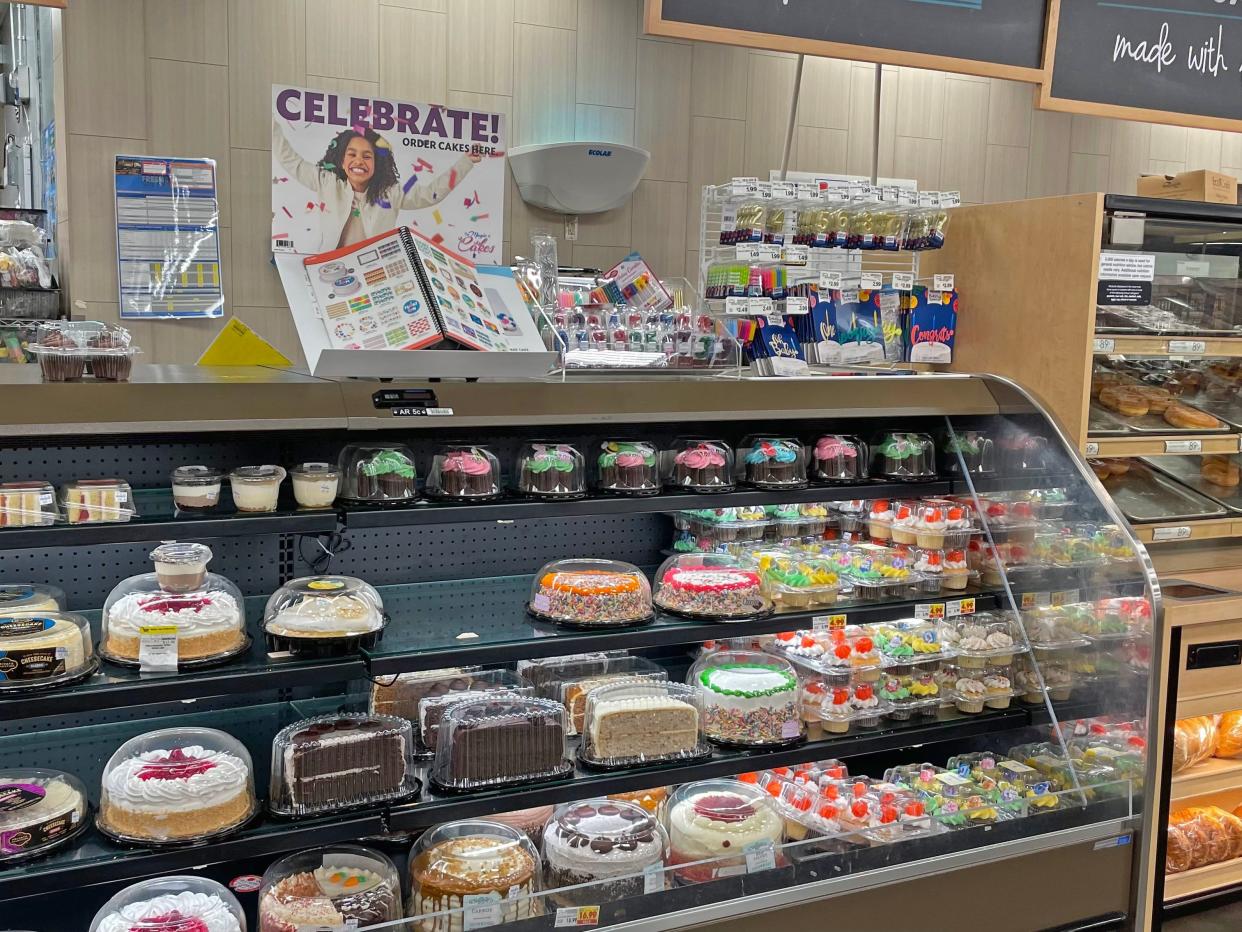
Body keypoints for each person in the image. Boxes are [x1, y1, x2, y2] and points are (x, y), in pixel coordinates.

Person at [273, 121, 480, 250]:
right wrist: (271, 124)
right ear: (342, 161)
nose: (359, 161)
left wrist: (466, 162)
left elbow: (431, 194)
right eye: (352, 154)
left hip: (375, 271)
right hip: (331, 266)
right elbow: (290, 160)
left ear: (376, 163)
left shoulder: (391, 193)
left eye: (367, 156)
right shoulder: (327, 182)